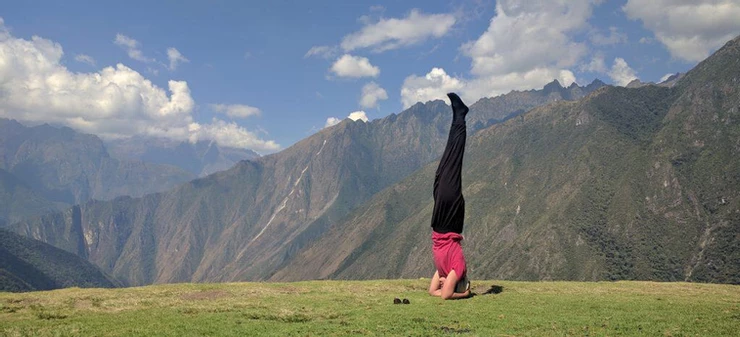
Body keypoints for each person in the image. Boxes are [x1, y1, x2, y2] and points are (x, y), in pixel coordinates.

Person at [428, 92, 472, 300]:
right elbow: (445, 296)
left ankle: (457, 118)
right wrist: (465, 295)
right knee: (453, 162)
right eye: (450, 282)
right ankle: (460, 117)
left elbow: (433, 292)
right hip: (451, 219)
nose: (445, 280)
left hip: (439, 223)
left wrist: (443, 284)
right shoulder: (459, 268)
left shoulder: (443, 271)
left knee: (442, 170)